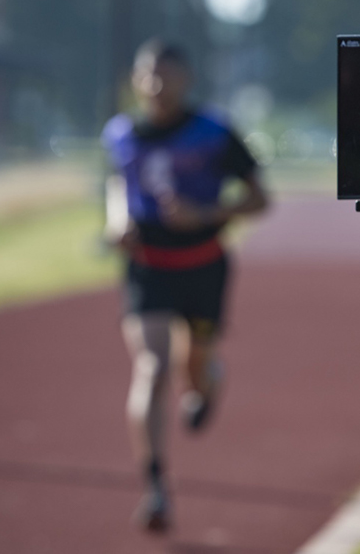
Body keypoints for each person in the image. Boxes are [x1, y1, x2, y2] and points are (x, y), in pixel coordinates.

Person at [101, 38, 268, 531]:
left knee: (191, 368)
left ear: (186, 78)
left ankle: (207, 380)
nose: (156, 84)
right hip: (148, 267)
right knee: (151, 369)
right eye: (147, 74)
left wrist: (207, 213)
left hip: (203, 264)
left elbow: (260, 199)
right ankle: (155, 486)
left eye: (166, 74)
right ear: (135, 80)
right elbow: (119, 185)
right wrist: (118, 222)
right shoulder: (121, 133)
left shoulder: (215, 132)